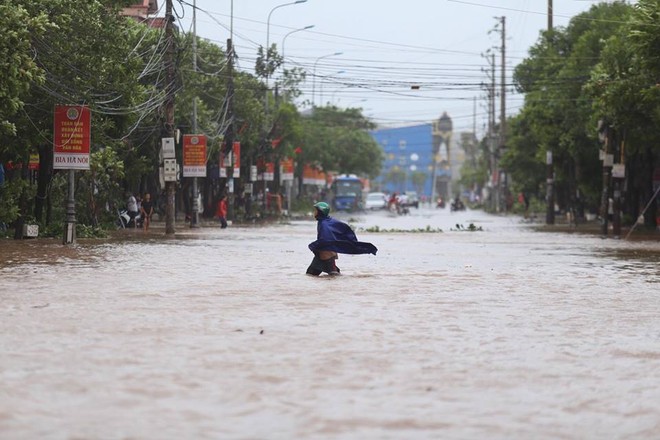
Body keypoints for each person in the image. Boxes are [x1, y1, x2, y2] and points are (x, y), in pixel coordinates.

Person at [306, 202, 377, 276]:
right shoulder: (327, 221)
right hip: (321, 255)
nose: (314, 212)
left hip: (327, 256)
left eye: (316, 211)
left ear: (320, 212)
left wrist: (313, 245)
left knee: (333, 275)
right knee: (310, 274)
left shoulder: (324, 224)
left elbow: (326, 240)